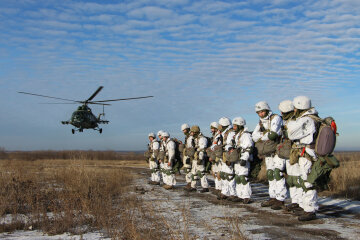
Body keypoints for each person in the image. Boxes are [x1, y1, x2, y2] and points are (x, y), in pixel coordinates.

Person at [287, 96, 319, 221]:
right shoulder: (309, 118)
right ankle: (304, 206)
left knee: (308, 182)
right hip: (304, 152)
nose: (294, 110)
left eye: (295, 108)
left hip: (307, 153)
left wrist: (290, 125)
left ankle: (310, 210)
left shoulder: (307, 120)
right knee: (303, 180)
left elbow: (291, 134)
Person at [252, 101, 287, 209]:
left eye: (262, 111)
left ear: (266, 110)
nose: (260, 114)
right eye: (258, 112)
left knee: (278, 173)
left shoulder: (275, 118)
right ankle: (273, 197)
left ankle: (280, 199)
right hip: (268, 152)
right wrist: (264, 135)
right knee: (271, 174)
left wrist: (261, 136)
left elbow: (273, 134)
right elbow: (254, 136)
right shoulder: (261, 122)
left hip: (277, 150)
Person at [278, 100, 302, 212]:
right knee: (291, 179)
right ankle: (295, 201)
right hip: (289, 151)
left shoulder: (296, 121)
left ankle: (301, 203)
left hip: (296, 151)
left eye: (283, 112)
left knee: (297, 178)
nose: (282, 114)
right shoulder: (287, 122)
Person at [231, 117, 253, 203]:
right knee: (238, 178)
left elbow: (249, 147)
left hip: (243, 158)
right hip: (237, 158)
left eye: (235, 126)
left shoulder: (246, 135)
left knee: (243, 178)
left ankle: (246, 196)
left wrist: (244, 158)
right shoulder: (238, 135)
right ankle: (240, 195)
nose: (234, 127)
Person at [187, 125, 209, 193]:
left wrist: (200, 159)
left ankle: (205, 187)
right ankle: (193, 186)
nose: (191, 133)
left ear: (196, 132)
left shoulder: (202, 139)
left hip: (199, 157)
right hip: (195, 157)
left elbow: (202, 149)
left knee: (201, 173)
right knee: (193, 172)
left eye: (192, 132)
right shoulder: (195, 139)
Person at [217, 117, 235, 200]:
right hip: (224, 155)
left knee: (229, 175)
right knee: (224, 174)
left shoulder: (230, 133)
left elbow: (230, 144)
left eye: (220, 125)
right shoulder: (223, 133)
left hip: (228, 155)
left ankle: (233, 193)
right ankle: (225, 192)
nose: (219, 126)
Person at [207, 122, 222, 193]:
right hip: (214, 155)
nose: (211, 130)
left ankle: (221, 188)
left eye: (212, 128)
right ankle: (217, 187)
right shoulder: (215, 136)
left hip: (218, 156)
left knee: (219, 174)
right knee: (215, 173)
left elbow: (217, 146)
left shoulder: (219, 135)